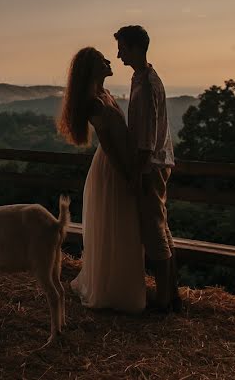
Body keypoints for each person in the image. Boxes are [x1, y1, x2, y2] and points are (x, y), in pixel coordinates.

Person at [57, 47, 146, 313]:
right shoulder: (94, 102)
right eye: (101, 60)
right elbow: (107, 145)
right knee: (116, 224)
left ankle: (120, 286)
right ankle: (111, 291)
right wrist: (126, 174)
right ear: (92, 69)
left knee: (122, 224)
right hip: (111, 167)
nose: (109, 61)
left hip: (119, 162)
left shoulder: (104, 95)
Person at [115, 25, 182, 313]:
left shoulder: (148, 85)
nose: (118, 54)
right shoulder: (140, 79)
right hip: (153, 164)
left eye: (122, 48)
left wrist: (137, 174)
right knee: (160, 227)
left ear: (134, 48)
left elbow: (148, 139)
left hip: (150, 167)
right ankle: (171, 293)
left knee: (154, 230)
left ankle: (165, 298)